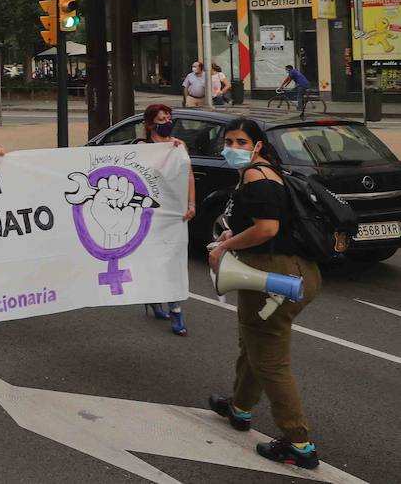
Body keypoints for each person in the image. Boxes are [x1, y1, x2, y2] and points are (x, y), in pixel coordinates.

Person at [208, 118, 322, 469]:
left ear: (257, 145)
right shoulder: (270, 172)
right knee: (254, 343)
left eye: (241, 141)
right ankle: (240, 408)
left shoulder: (257, 177)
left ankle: (299, 443)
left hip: (274, 277)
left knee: (270, 360)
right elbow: (266, 225)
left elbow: (267, 228)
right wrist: (233, 236)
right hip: (291, 272)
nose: (233, 147)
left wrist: (223, 250)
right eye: (228, 141)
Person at [136, 104, 194, 335]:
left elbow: (188, 174)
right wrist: (167, 152)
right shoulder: (142, 147)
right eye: (161, 118)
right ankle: (157, 299)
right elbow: (146, 177)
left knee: (172, 261)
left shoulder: (179, 145)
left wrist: (192, 204)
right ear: (150, 124)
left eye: (168, 117)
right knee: (155, 260)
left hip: (174, 212)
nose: (167, 121)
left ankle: (176, 310)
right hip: (151, 214)